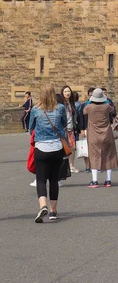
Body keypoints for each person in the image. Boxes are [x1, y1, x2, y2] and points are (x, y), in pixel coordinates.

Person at [29, 85, 67, 222]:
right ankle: (53, 211)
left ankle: (43, 205)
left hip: (41, 148)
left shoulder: (35, 110)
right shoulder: (60, 108)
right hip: (57, 147)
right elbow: (64, 124)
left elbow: (30, 128)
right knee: (54, 180)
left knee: (41, 179)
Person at [84, 88, 118, 187]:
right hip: (106, 134)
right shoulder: (106, 106)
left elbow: (83, 111)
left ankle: (94, 180)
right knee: (108, 155)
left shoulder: (89, 107)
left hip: (93, 135)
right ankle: (108, 180)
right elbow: (113, 109)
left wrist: (89, 101)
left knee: (93, 155)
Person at [61, 85, 78, 172]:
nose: (67, 93)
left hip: (71, 128)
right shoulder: (61, 104)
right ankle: (64, 166)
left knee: (72, 147)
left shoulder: (71, 103)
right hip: (63, 129)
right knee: (63, 148)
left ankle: (71, 165)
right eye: (65, 92)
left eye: (68, 91)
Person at [77, 87, 95, 173]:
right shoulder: (84, 105)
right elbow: (81, 118)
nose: (91, 97)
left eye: (93, 95)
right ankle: (88, 166)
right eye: (90, 95)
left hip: (96, 129)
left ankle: (95, 166)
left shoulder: (99, 105)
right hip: (86, 128)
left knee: (95, 149)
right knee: (85, 149)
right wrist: (81, 129)